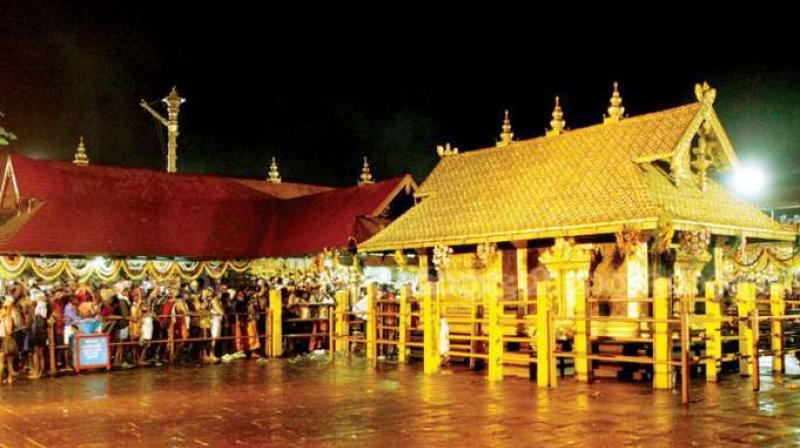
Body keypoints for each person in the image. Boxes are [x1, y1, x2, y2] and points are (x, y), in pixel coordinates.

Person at [0, 296, 18, 384]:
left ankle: (9, 377)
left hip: (5, 339)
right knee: (7, 360)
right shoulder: (7, 316)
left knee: (6, 360)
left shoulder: (7, 317)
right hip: (5, 338)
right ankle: (9, 377)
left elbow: (9, 330)